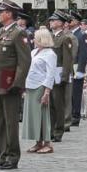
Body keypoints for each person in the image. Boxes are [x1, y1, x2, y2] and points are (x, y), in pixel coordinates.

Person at [0, 0, 31, 169]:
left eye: (1, 12)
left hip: (9, 81)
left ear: (9, 14)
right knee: (0, 121)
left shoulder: (18, 33)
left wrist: (17, 83)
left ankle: (13, 156)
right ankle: (2, 154)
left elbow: (24, 61)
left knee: (11, 122)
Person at [22, 27, 57, 155]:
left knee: (42, 114)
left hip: (41, 86)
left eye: (35, 38)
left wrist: (47, 92)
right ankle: (38, 142)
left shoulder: (50, 54)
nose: (33, 41)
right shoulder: (34, 52)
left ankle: (47, 143)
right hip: (30, 85)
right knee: (33, 115)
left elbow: (50, 74)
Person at [48, 10, 74, 142]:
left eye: (54, 20)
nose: (51, 22)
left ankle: (58, 131)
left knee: (58, 104)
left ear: (61, 23)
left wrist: (64, 77)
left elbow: (67, 60)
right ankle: (51, 130)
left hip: (59, 75)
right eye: (51, 20)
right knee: (51, 104)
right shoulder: (51, 37)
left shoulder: (65, 38)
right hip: (50, 75)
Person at [70, 11, 87, 127]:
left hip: (77, 67)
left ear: (77, 21)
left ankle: (75, 116)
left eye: (71, 20)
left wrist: (80, 70)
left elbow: (83, 54)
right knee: (71, 92)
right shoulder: (72, 34)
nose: (69, 22)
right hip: (71, 67)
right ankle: (71, 113)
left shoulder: (82, 35)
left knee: (76, 93)